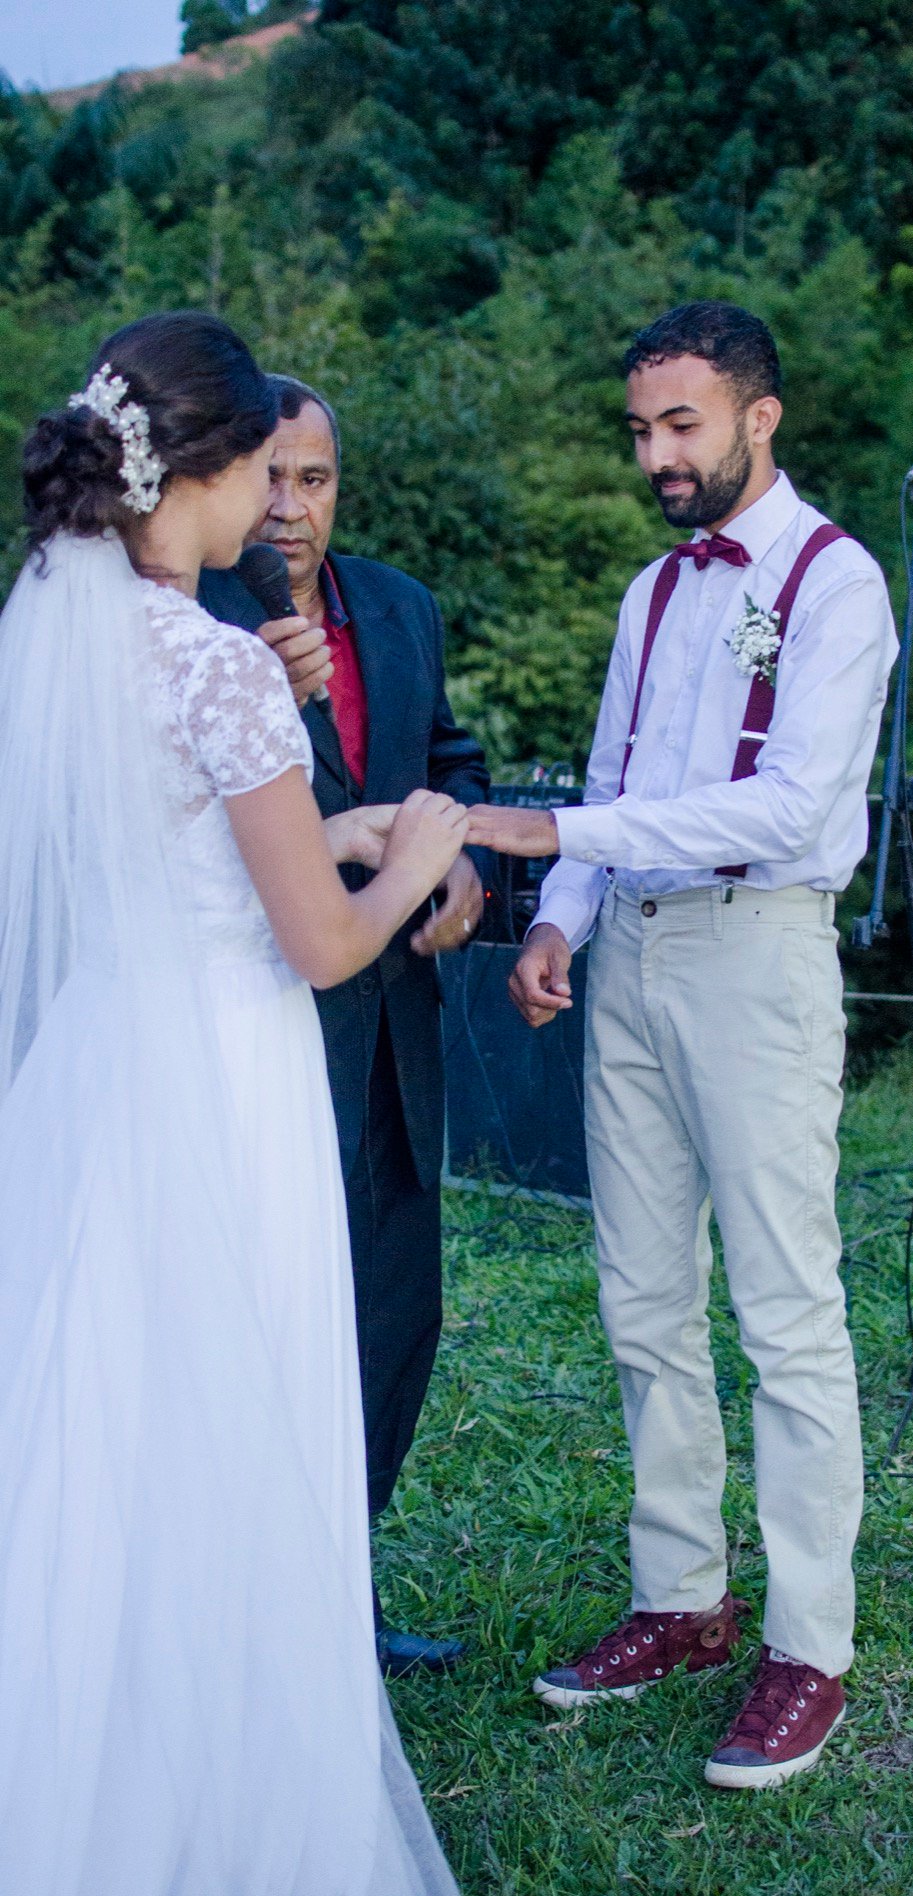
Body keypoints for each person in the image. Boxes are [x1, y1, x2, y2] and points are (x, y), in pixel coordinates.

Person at [0, 311, 466, 1896]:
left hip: (97, 1069)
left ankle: (76, 1743)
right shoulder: (222, 665)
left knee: (101, 1406)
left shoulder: (56, 631)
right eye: (268, 468)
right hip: (221, 1080)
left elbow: (149, 850)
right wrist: (420, 847)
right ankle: (223, 1787)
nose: (280, 502)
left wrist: (323, 831)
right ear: (202, 469)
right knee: (236, 1400)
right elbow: (325, 949)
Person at [465, 301, 898, 1790]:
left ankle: (809, 1648)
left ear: (759, 416)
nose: (657, 455)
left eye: (682, 425)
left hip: (757, 954)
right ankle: (680, 1600)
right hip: (634, 955)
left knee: (786, 1312)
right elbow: (617, 776)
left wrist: (553, 837)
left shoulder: (838, 581)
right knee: (643, 1297)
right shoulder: (652, 593)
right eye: (641, 429)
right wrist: (559, 922)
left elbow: (790, 806)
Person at [200, 378, 489, 1677]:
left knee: (393, 1316)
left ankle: (339, 1599)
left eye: (312, 479)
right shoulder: (188, 621)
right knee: (263, 1326)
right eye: (267, 476)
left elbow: (447, 763)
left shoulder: (403, 606)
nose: (289, 507)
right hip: (256, 1031)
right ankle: (240, 1612)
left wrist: (462, 857)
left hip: (394, 1038)